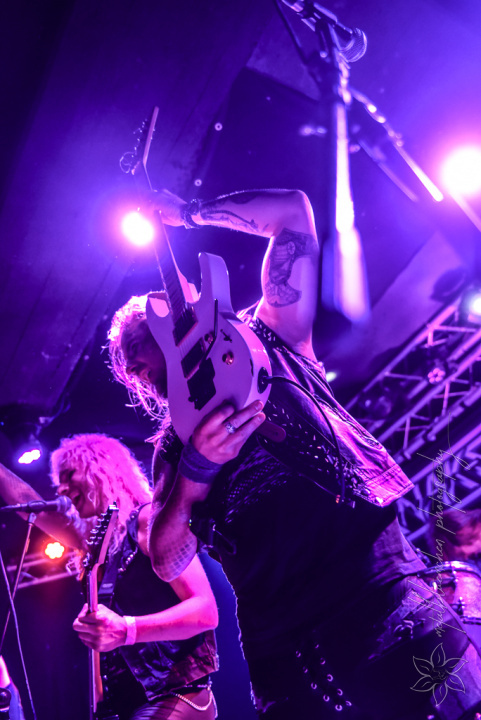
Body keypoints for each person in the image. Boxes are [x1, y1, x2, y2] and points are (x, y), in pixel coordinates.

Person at [108, 188, 481, 719]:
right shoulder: (173, 446)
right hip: (286, 654)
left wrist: (187, 212)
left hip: (379, 593)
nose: (155, 374)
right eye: (145, 371)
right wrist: (197, 468)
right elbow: (167, 559)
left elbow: (292, 212)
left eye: (153, 348)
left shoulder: (270, 336)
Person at [0, 434, 218, 720]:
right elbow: (29, 503)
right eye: (59, 482)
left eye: (69, 475)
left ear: (101, 469)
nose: (62, 489)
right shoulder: (93, 542)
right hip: (127, 704)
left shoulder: (147, 521)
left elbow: (205, 611)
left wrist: (127, 629)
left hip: (176, 695)